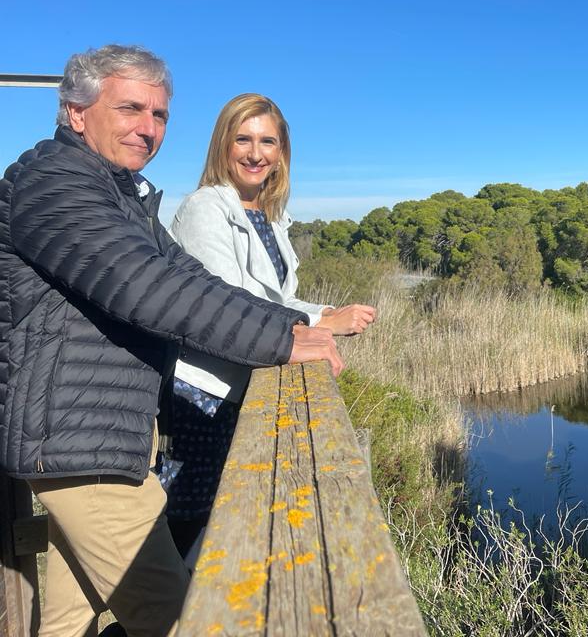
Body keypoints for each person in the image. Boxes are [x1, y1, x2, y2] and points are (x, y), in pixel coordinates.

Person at [0, 45, 344, 637]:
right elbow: (147, 288)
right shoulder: (53, 185)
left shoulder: (120, 195)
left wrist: (291, 325)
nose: (148, 128)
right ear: (75, 112)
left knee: (69, 619)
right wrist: (280, 338)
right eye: (131, 108)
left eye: (159, 115)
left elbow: (189, 277)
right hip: (74, 443)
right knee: (179, 616)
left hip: (99, 437)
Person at [158, 93, 375, 554]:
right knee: (191, 521)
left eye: (267, 142)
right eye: (243, 139)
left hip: (245, 381)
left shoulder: (268, 216)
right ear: (223, 145)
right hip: (205, 390)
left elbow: (274, 297)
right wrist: (315, 324)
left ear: (281, 154)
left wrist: (323, 316)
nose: (255, 153)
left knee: (231, 515)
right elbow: (222, 301)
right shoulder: (206, 209)